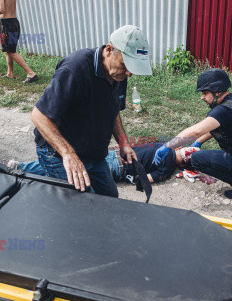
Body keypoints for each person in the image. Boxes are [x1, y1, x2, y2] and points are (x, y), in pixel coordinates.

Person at [22, 25, 152, 197]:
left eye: (132, 69)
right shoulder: (75, 68)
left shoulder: (119, 74)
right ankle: (31, 174)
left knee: (111, 198)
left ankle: (27, 169)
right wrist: (69, 155)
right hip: (58, 153)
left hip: (93, 155)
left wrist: (123, 142)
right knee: (84, 205)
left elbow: (112, 109)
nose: (128, 73)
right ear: (108, 49)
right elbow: (39, 116)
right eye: (125, 65)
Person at [153, 68, 232, 199]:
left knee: (197, 159)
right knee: (206, 155)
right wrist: (199, 142)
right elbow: (215, 128)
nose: (202, 97)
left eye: (205, 93)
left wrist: (167, 146)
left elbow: (195, 131)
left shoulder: (222, 111)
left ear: (217, 91)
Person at [0, 0, 38, 83]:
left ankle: (31, 73)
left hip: (7, 24)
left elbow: (1, 9)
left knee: (11, 51)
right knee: (8, 50)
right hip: (13, 22)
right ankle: (10, 73)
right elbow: (6, 6)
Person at [105, 143, 199, 184]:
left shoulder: (164, 145)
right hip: (118, 168)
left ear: (178, 148)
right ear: (183, 165)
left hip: (113, 152)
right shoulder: (168, 169)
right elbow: (145, 179)